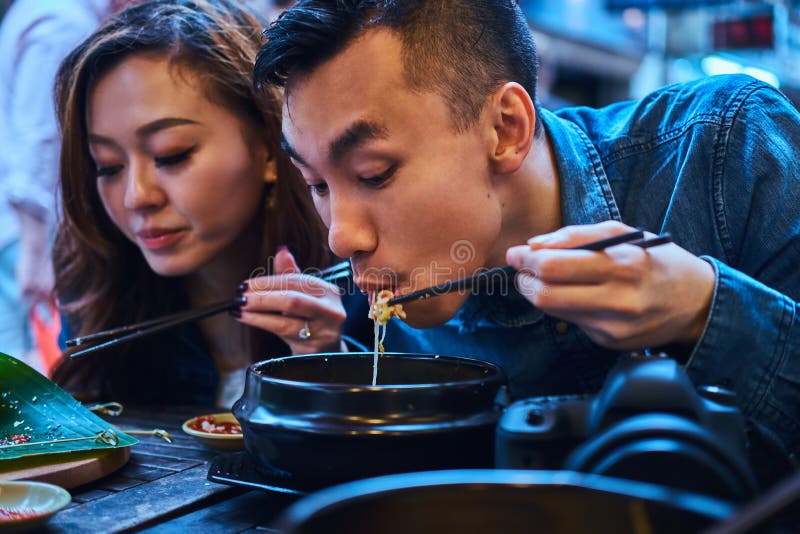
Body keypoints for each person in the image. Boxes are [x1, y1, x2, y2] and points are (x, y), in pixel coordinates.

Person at [253, 0, 800, 459]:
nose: (341, 238)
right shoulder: (380, 296)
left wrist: (703, 308)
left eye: (375, 174)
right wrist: (329, 360)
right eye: (317, 185)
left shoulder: (727, 149)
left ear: (505, 129)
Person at [52, 0, 353, 407]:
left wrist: (327, 360)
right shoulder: (100, 290)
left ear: (269, 145)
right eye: (107, 166)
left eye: (171, 155)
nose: (136, 196)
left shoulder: (365, 279)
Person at [0, 0, 133, 367]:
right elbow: (41, 139)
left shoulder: (44, 11)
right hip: (29, 231)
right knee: (25, 373)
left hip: (23, 226)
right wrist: (36, 251)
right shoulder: (62, 23)